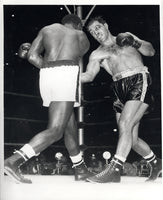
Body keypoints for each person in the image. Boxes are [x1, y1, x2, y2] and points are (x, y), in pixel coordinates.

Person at [4, 14, 92, 184]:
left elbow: (31, 56)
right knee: (56, 129)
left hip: (46, 75)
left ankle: (80, 168)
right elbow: (77, 54)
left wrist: (50, 65)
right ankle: (14, 161)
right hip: (65, 74)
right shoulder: (80, 35)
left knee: (69, 124)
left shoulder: (47, 29)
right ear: (78, 25)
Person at [81, 16, 162, 183]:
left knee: (125, 124)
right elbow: (88, 76)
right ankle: (156, 163)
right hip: (118, 87)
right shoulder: (97, 54)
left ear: (106, 25)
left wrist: (135, 42)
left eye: (97, 28)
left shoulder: (125, 36)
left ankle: (115, 169)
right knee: (131, 139)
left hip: (138, 79)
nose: (96, 33)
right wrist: (65, 73)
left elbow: (151, 51)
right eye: (92, 32)